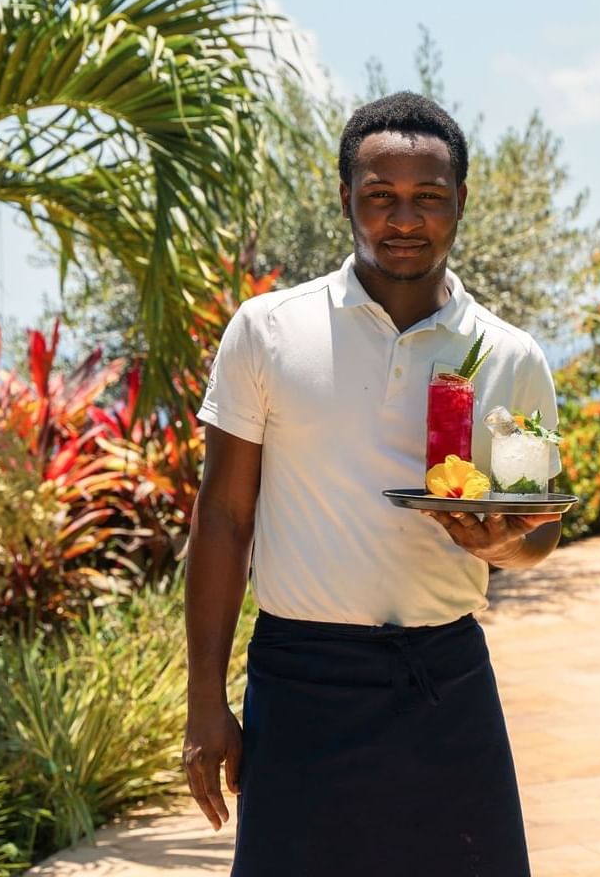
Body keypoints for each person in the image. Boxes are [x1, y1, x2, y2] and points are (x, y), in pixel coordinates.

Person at [183, 91, 563, 877]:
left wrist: (503, 545)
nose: (403, 219)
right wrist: (204, 700)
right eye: (379, 197)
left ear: (460, 203)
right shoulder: (267, 331)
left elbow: (538, 526)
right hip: (299, 681)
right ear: (344, 199)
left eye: (428, 198)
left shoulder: (507, 356)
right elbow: (221, 517)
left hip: (446, 680)